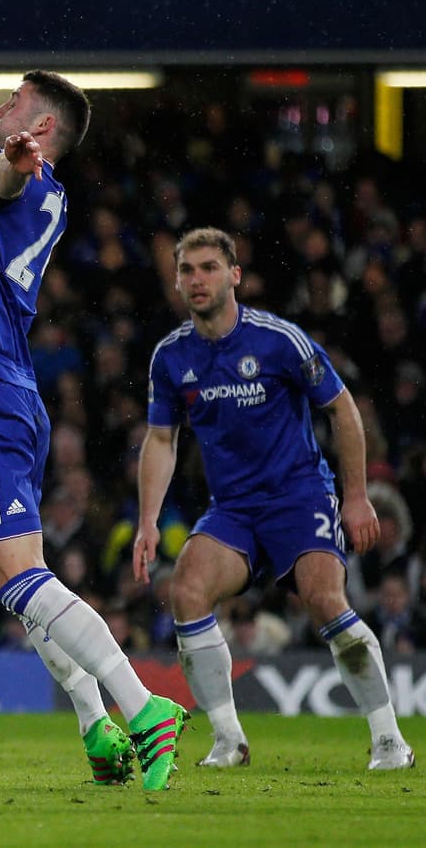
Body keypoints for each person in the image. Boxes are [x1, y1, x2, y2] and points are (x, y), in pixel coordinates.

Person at [0, 70, 186, 791]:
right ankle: (92, 721)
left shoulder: (5, 168)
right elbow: (0, 198)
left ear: (37, 129)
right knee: (14, 573)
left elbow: (3, 180)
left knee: (17, 575)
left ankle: (140, 706)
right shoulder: (54, 195)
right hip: (10, 394)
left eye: (13, 102)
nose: (1, 108)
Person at [133, 226, 414, 770]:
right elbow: (161, 439)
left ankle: (387, 738)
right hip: (233, 508)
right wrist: (148, 520)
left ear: (234, 276)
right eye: (187, 270)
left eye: (209, 267)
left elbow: (344, 410)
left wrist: (355, 498)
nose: (197, 279)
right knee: (188, 590)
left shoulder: (278, 340)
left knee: (324, 599)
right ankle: (228, 739)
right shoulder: (170, 358)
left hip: (298, 493)